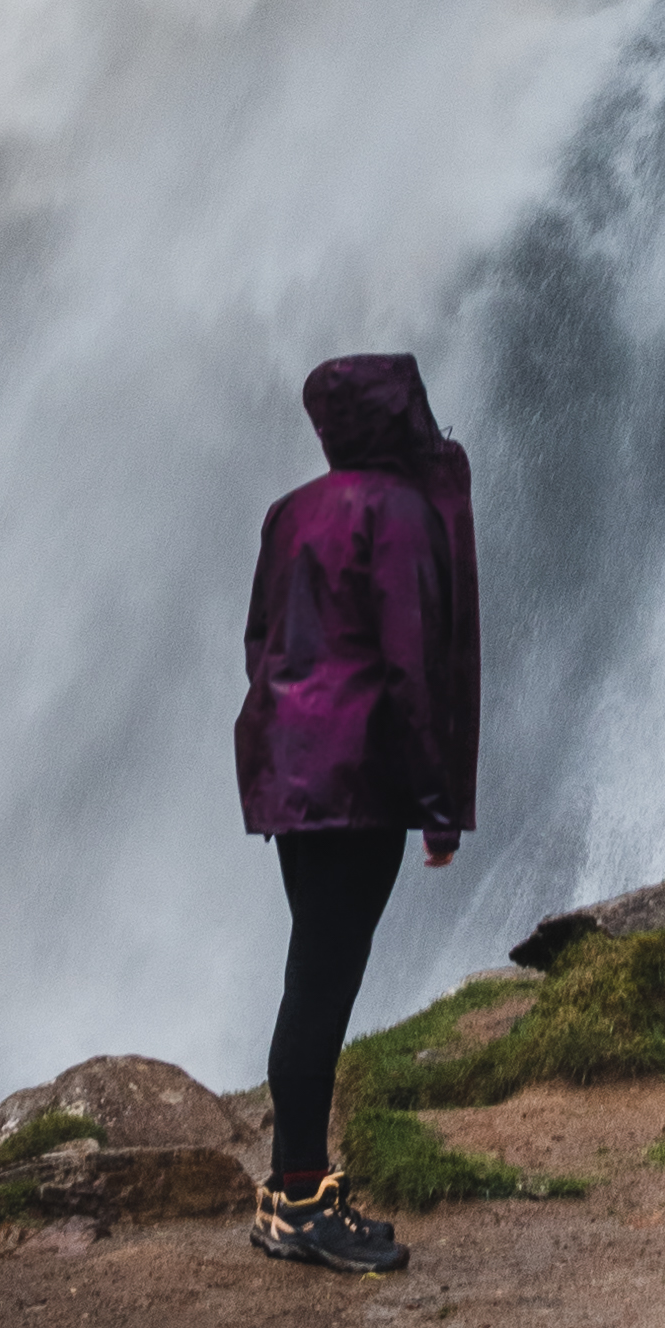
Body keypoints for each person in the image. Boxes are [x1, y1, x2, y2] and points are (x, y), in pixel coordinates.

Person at [230, 347, 479, 1272]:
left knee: (313, 971)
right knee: (322, 985)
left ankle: (297, 1191)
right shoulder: (403, 513)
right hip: (357, 782)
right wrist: (438, 808)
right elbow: (414, 670)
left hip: (291, 773)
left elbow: (259, 639)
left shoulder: (290, 512)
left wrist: (291, 728)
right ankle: (297, 1203)